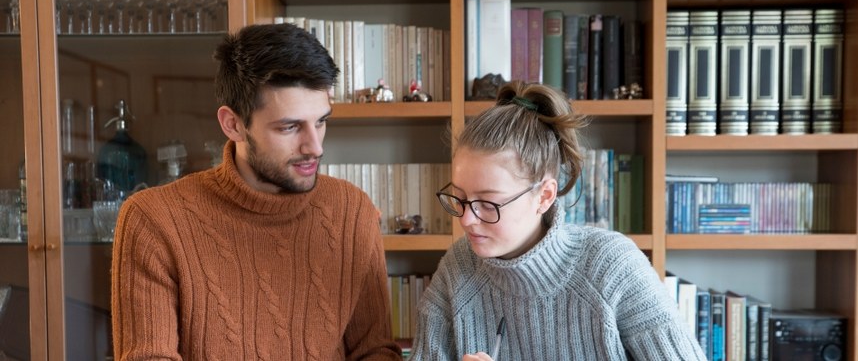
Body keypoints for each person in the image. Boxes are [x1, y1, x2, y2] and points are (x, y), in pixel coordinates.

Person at [110, 24, 402, 360]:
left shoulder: (352, 211)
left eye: (321, 121)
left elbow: (375, 350)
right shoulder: (154, 220)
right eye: (290, 127)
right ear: (233, 124)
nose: (315, 146)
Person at [408, 82, 705, 360]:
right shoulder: (458, 269)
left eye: (487, 203)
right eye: (459, 198)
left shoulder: (612, 267)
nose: (467, 220)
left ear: (545, 196)